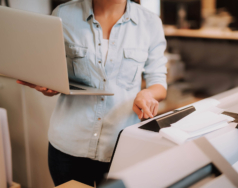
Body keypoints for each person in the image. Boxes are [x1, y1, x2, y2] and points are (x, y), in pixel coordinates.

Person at [17, 0, 167, 186]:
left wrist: (147, 94)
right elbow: (52, 78)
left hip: (120, 148)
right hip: (68, 148)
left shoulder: (150, 22)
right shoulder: (63, 14)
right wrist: (47, 87)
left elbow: (159, 82)